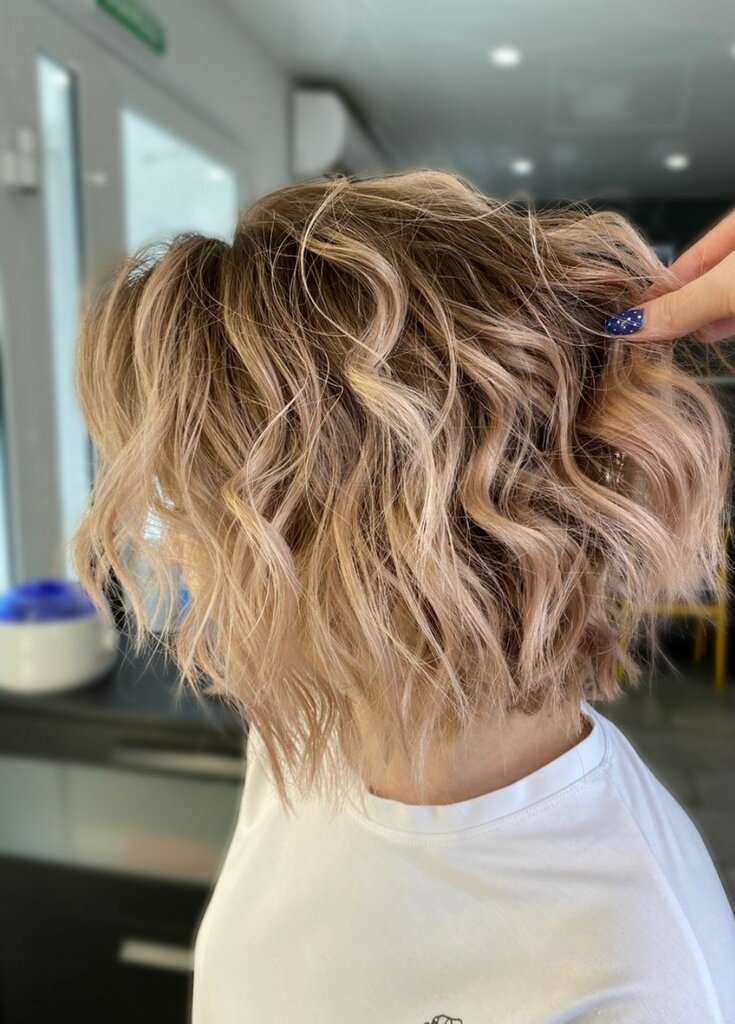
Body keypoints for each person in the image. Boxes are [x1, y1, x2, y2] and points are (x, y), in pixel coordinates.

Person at [70, 171, 735, 1023]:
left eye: (200, 508)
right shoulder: (312, 738)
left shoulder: (641, 975)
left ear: (377, 546)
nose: (174, 549)